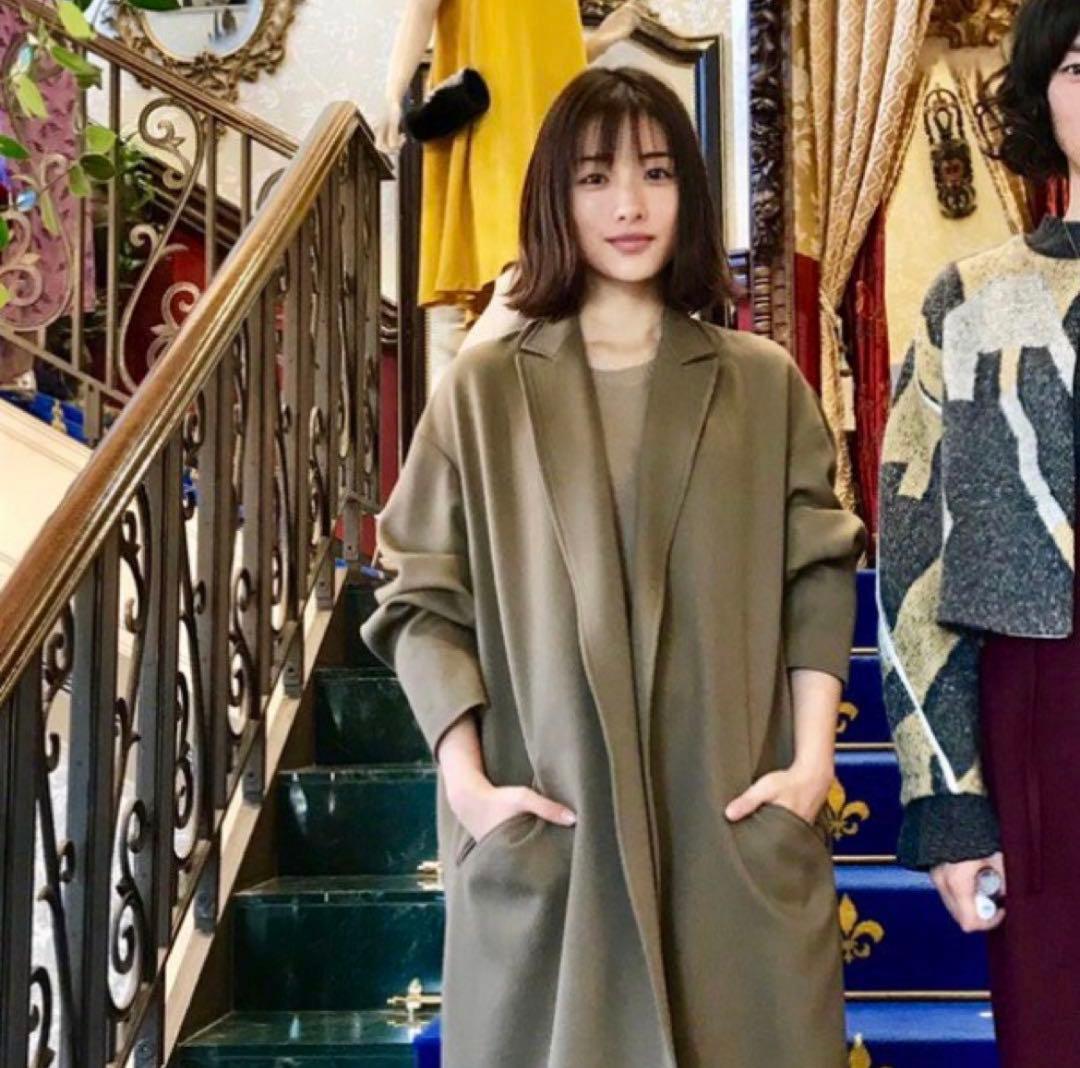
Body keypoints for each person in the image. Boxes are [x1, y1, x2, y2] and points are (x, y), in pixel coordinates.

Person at [364, 67, 864, 1068]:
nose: (629, 205)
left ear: (692, 194)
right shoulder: (483, 392)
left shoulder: (762, 384)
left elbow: (818, 573)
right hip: (552, 825)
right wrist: (470, 789)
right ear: (555, 195)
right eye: (595, 177)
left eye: (657, 173)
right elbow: (420, 597)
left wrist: (811, 765)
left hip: (725, 830)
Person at [877, 1, 1080, 1062]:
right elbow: (912, 552)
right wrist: (949, 802)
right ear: (1040, 92)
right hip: (1043, 709)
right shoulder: (970, 302)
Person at [374, 0, 645, 314]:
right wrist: (393, 94)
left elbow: (541, 53)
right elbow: (420, 11)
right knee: (512, 273)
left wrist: (600, 42)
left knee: (553, 275)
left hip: (559, 127)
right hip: (496, 131)